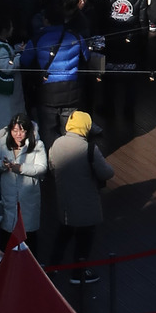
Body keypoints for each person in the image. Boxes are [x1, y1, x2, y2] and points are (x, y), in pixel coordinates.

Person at [47, 110, 112, 277]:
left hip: (65, 200)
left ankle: (53, 266)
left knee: (64, 233)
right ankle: (79, 272)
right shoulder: (89, 149)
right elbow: (106, 173)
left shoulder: (57, 144)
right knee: (85, 237)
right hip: (86, 200)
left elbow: (52, 166)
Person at [0, 112, 47, 248]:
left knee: (28, 233)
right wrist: (2, 165)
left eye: (22, 131)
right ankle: (3, 261)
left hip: (28, 196)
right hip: (7, 195)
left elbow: (42, 168)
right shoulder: (1, 143)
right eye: (15, 130)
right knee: (6, 231)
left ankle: (31, 264)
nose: (18, 134)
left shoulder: (37, 145)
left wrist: (20, 168)